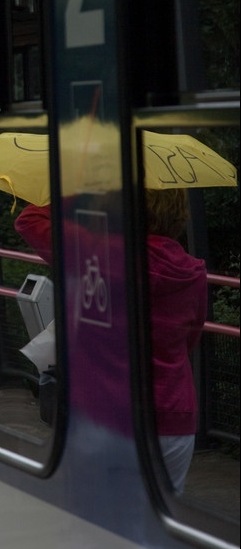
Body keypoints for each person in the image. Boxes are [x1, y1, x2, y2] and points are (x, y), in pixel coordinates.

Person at [15, 191, 206, 493]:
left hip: (108, 418)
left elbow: (29, 220)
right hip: (174, 421)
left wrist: (79, 191)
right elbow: (189, 340)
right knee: (156, 533)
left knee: (93, 530)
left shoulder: (96, 254)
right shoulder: (191, 271)